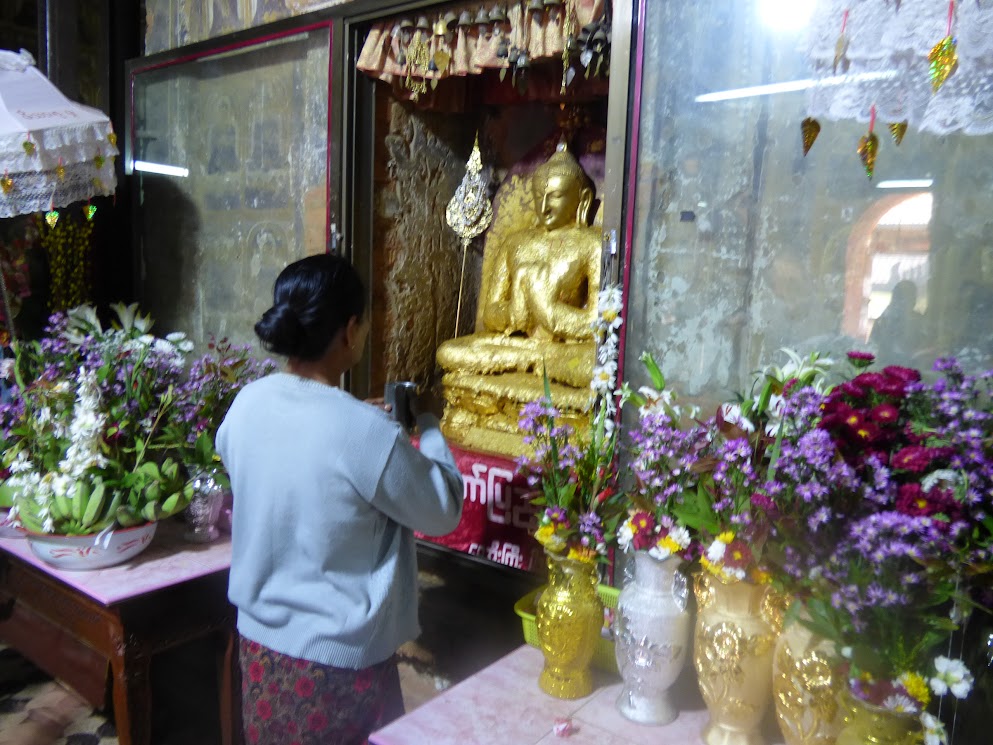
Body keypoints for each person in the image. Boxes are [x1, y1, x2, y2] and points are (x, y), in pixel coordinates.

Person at [216, 253, 463, 745]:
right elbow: (442, 509)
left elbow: (291, 457)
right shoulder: (363, 433)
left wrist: (356, 421)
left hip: (260, 647)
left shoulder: (247, 405)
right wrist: (430, 423)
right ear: (349, 331)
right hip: (336, 665)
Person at [435, 142, 602, 456]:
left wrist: (550, 312)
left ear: (581, 200)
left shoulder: (591, 243)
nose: (544, 207)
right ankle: (531, 361)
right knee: (449, 352)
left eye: (555, 196)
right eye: (539, 197)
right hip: (519, 344)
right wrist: (515, 315)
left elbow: (598, 321)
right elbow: (490, 313)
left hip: (564, 350)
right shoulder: (516, 243)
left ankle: (536, 364)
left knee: (595, 370)